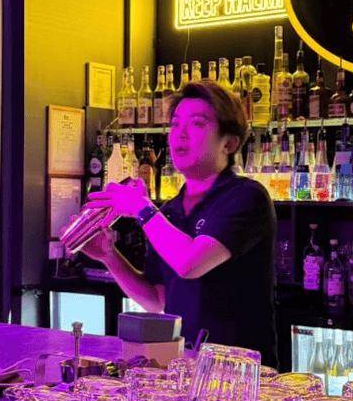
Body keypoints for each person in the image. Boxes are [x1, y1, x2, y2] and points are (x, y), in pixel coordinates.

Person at [82, 80, 278, 366]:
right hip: (184, 366)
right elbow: (155, 299)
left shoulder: (246, 197)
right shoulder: (169, 212)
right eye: (175, 124)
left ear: (229, 143)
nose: (180, 134)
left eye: (197, 123)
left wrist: (141, 207)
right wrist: (109, 257)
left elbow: (190, 263)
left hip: (239, 373)